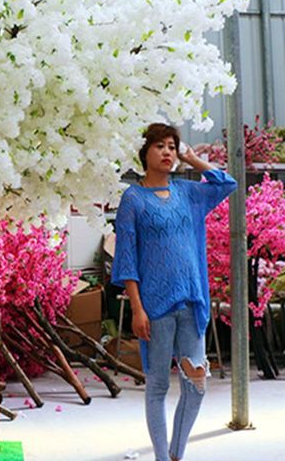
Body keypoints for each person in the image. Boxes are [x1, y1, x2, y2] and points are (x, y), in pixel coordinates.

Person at [111, 123, 237, 461]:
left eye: (172, 146)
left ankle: (176, 453)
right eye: (160, 146)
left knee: (196, 383)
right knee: (158, 386)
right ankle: (161, 458)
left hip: (191, 301)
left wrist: (193, 160)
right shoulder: (133, 199)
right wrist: (137, 309)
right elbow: (126, 259)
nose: (167, 152)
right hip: (155, 307)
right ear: (144, 153)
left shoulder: (187, 192)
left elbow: (228, 183)